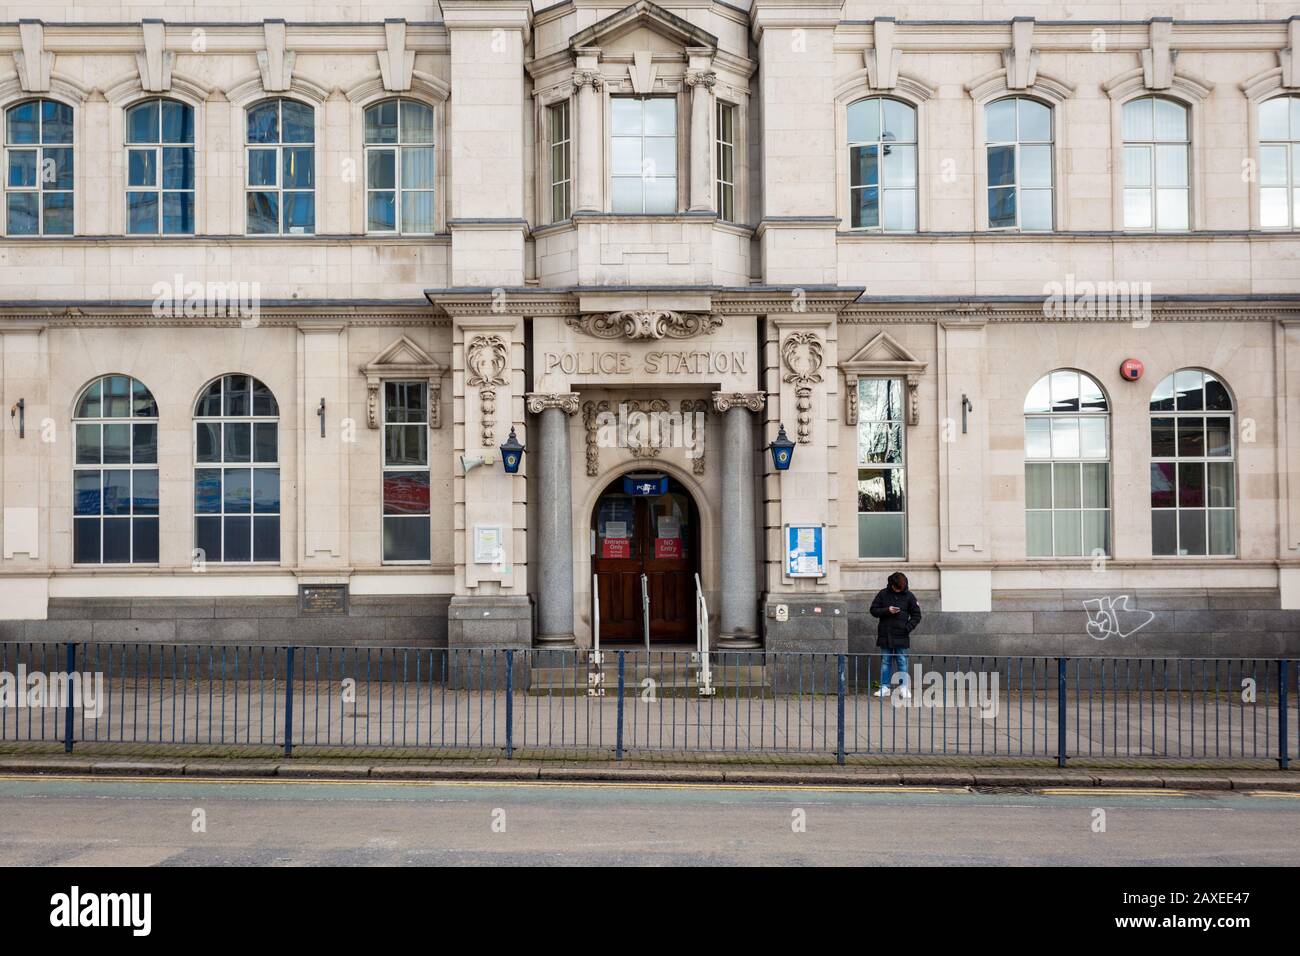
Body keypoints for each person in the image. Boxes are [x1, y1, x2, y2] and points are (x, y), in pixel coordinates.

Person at [869, 571, 922, 699]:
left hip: (902, 634)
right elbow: (873, 610)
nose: (898, 590)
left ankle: (904, 687)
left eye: (900, 588)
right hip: (885, 633)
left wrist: (907, 628)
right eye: (896, 588)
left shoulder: (909, 596)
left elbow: (917, 615)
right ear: (891, 584)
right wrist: (887, 610)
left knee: (902, 661)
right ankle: (885, 687)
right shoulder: (883, 593)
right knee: (886, 662)